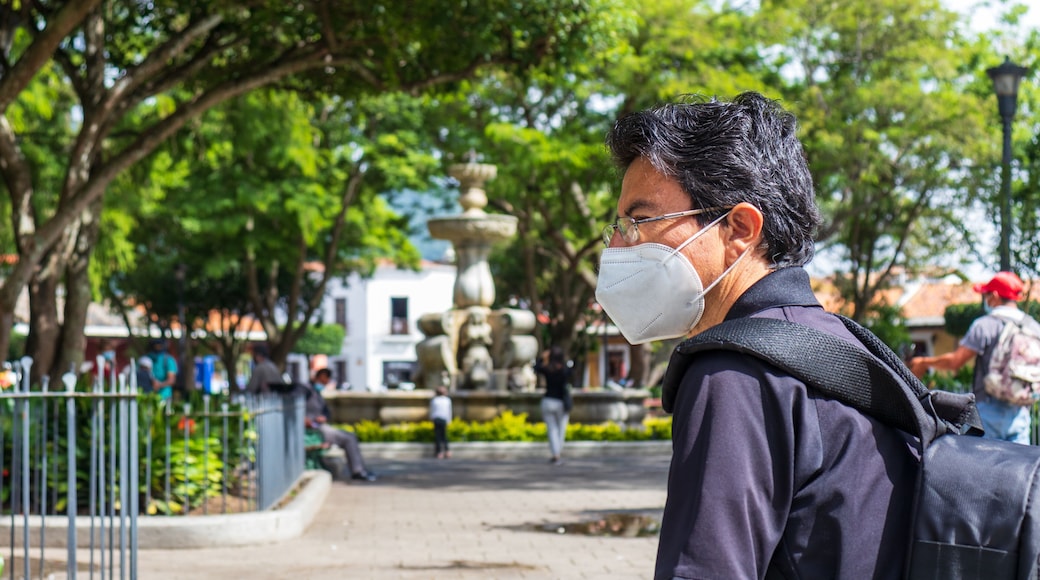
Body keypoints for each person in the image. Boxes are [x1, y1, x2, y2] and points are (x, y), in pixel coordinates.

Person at [597, 92, 916, 579]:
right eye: (618, 226)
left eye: (639, 222)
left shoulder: (735, 374)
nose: (619, 246)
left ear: (739, 228)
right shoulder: (843, 345)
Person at [909, 271, 1037, 444]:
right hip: (1021, 411)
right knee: (1019, 461)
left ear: (994, 296)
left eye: (985, 295)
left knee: (983, 460)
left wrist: (924, 362)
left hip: (988, 411)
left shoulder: (985, 325)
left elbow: (956, 361)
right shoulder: (1033, 327)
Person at [306, 368, 377, 482]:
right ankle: (357, 471)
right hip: (313, 430)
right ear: (322, 376)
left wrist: (324, 417)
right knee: (348, 438)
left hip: (319, 426)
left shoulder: (316, 392)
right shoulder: (306, 390)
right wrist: (309, 420)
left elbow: (326, 412)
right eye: (326, 379)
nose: (327, 382)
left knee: (351, 436)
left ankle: (360, 469)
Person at [533, 346, 572, 464]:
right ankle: (558, 453)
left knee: (552, 429)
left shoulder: (547, 368)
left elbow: (536, 367)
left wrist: (542, 358)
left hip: (548, 401)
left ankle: (556, 454)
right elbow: (571, 372)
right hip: (561, 402)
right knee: (561, 429)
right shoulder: (564, 369)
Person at [428, 385, 453, 459]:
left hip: (437, 418)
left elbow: (432, 411)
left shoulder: (435, 400)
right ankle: (446, 451)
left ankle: (440, 452)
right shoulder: (447, 400)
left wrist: (431, 418)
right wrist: (449, 420)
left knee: (438, 436)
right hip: (443, 419)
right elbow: (449, 411)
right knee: (444, 436)